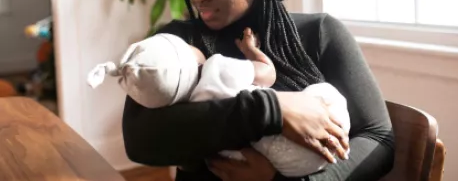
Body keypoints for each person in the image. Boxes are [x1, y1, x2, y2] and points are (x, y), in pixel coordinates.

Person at [122, 0, 395, 180]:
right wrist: (273, 110)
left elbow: (378, 139)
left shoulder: (319, 34)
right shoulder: (181, 45)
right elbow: (139, 140)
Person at [89, 28, 350, 177]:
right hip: (319, 148)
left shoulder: (189, 108)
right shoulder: (217, 67)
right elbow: (267, 74)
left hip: (286, 166)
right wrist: (274, 106)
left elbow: (378, 138)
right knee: (325, 94)